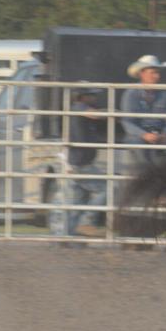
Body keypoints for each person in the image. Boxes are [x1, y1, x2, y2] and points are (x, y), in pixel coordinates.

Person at [51, 87, 109, 237]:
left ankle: (68, 237)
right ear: (82, 97)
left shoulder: (78, 110)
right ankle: (86, 222)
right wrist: (112, 112)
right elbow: (94, 115)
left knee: (76, 202)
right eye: (91, 96)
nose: (94, 99)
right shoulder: (79, 108)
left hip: (78, 162)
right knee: (107, 188)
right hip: (81, 163)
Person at [121, 54, 166, 166]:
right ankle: (148, 175)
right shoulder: (131, 94)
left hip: (160, 134)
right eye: (153, 72)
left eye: (158, 73)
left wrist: (165, 134)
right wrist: (144, 134)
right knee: (138, 145)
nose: (157, 76)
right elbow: (127, 123)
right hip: (138, 136)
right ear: (142, 73)